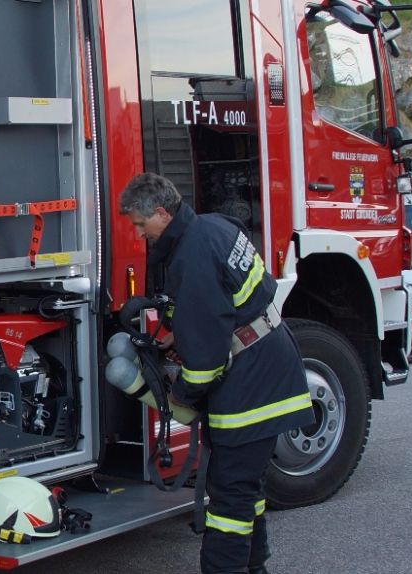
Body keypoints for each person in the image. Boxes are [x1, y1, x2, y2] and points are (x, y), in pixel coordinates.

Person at [119, 173, 314, 574]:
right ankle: (255, 568)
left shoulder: (192, 257)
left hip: (252, 386)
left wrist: (182, 395)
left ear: (162, 213)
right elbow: (229, 303)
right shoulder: (213, 227)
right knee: (245, 491)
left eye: (141, 224)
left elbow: (206, 361)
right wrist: (181, 333)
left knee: (229, 498)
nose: (140, 234)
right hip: (269, 363)